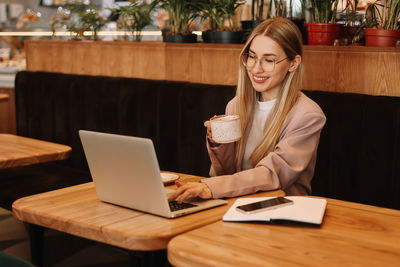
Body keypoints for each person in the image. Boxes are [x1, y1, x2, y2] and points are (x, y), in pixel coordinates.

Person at [169, 17, 326, 203]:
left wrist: (211, 187)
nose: (256, 68)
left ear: (293, 63)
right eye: (252, 57)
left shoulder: (308, 115)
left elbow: (273, 174)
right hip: (236, 203)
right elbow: (224, 173)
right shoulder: (236, 105)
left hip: (282, 209)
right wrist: (219, 142)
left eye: (269, 60)